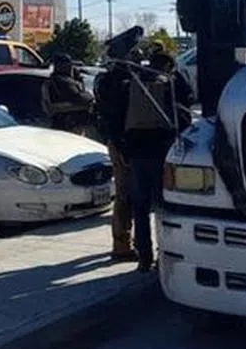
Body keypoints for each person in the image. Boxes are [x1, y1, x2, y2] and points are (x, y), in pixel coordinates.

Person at [123, 50, 195, 272]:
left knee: (140, 209)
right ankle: (166, 254)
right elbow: (187, 106)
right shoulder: (170, 84)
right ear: (168, 66)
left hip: (137, 153)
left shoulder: (133, 83)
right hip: (163, 151)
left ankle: (144, 256)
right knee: (165, 208)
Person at [94, 54, 137, 262]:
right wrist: (121, 144)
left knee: (126, 195)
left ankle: (124, 243)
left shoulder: (107, 82)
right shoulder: (121, 85)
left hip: (119, 142)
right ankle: (122, 245)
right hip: (125, 144)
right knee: (126, 195)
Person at [41, 53, 94, 135]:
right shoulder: (63, 81)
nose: (71, 68)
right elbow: (82, 99)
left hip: (64, 125)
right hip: (68, 126)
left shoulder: (53, 81)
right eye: (69, 66)